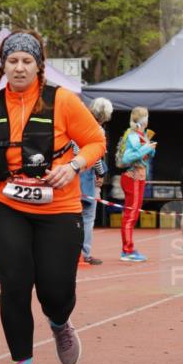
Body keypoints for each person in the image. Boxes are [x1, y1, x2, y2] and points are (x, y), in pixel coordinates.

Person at [0, 30, 106, 364]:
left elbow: (96, 141)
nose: (20, 67)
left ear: (39, 66)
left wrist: (73, 166)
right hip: (4, 203)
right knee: (14, 284)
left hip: (58, 207)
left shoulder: (63, 101)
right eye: (13, 61)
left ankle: (59, 322)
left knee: (55, 290)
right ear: (3, 65)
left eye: (27, 61)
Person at [116, 107, 156, 262]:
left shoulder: (141, 134)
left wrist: (150, 149)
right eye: (146, 117)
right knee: (130, 216)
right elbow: (127, 158)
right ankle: (127, 251)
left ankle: (128, 249)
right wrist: (146, 148)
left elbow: (144, 156)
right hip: (132, 177)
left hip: (138, 177)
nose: (148, 120)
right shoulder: (133, 135)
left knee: (133, 215)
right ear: (142, 119)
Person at [79, 97, 113, 265]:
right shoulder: (97, 130)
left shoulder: (78, 122)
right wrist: (101, 172)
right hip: (85, 174)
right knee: (87, 216)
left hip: (70, 171)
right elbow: (95, 155)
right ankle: (84, 253)